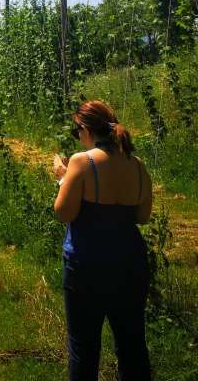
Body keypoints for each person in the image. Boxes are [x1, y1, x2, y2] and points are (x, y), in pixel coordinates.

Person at [52, 100, 153, 380]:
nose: (78, 137)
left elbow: (64, 212)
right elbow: (143, 216)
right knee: (132, 345)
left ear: (86, 130)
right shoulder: (137, 165)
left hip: (87, 266)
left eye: (77, 132)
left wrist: (64, 179)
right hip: (131, 264)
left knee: (83, 348)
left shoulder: (82, 162)